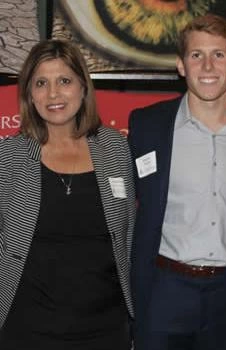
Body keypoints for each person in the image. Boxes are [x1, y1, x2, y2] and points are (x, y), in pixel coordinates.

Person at [128, 14, 226, 350]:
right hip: (164, 290)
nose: (207, 66)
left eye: (218, 55)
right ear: (180, 65)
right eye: (196, 55)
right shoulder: (148, 125)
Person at [0, 40, 136, 349]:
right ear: (29, 95)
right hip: (27, 330)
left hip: (105, 330)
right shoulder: (8, 156)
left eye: (64, 80)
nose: (53, 94)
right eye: (41, 83)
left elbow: (128, 234)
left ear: (83, 87)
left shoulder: (114, 148)